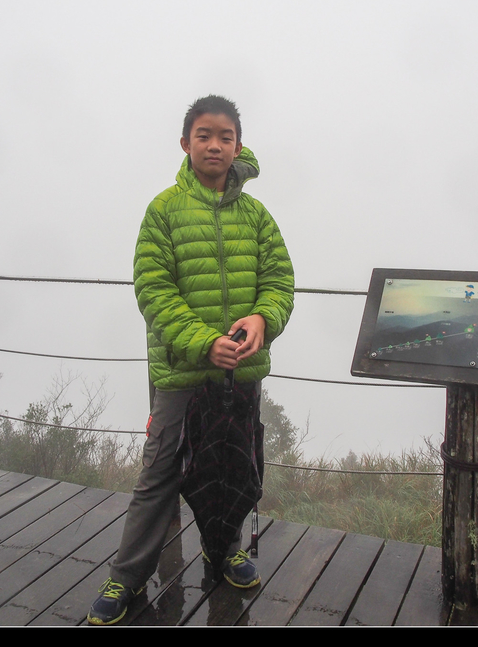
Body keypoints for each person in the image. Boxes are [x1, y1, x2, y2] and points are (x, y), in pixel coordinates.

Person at [88, 95, 294, 625]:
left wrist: (261, 321)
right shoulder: (163, 212)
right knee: (159, 474)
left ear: (238, 145)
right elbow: (154, 291)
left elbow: (279, 284)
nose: (215, 145)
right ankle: (127, 576)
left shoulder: (257, 216)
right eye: (204, 135)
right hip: (181, 373)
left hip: (239, 376)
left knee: (234, 465)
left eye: (225, 137)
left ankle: (224, 548)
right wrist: (204, 341)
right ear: (186, 143)